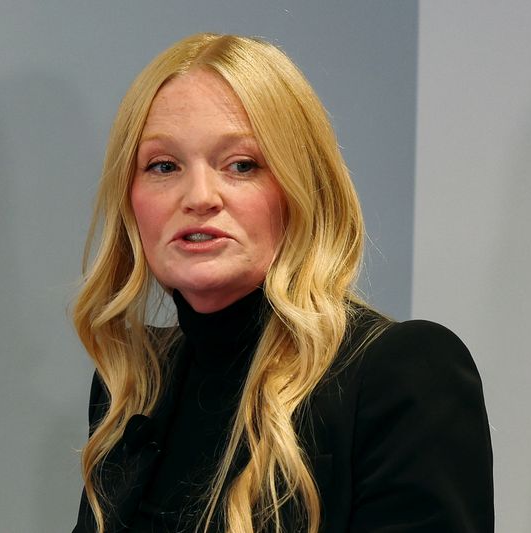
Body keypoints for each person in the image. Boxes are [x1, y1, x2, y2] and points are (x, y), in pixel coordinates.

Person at [71, 33, 493, 533]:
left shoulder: (399, 375)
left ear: (301, 189)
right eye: (164, 166)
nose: (199, 196)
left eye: (241, 165)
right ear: (131, 197)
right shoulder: (133, 386)